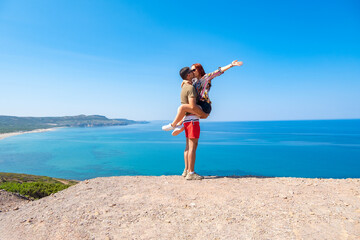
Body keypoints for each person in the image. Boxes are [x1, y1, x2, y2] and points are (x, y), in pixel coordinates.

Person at [162, 60, 243, 136]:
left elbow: (219, 71)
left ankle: (173, 125)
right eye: (191, 70)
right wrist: (184, 81)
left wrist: (231, 65)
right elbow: (184, 83)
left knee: (183, 108)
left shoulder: (206, 77)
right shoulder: (193, 81)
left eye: (193, 70)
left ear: (199, 70)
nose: (191, 72)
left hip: (205, 105)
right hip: (198, 105)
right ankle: (180, 126)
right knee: (187, 112)